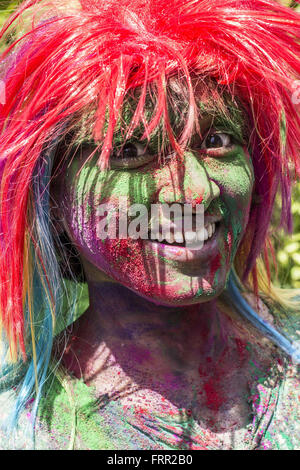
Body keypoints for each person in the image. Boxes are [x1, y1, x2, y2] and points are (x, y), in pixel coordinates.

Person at [0, 0, 299, 450]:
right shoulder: (20, 428)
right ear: (52, 199)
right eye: (131, 150)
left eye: (217, 141)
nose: (197, 192)